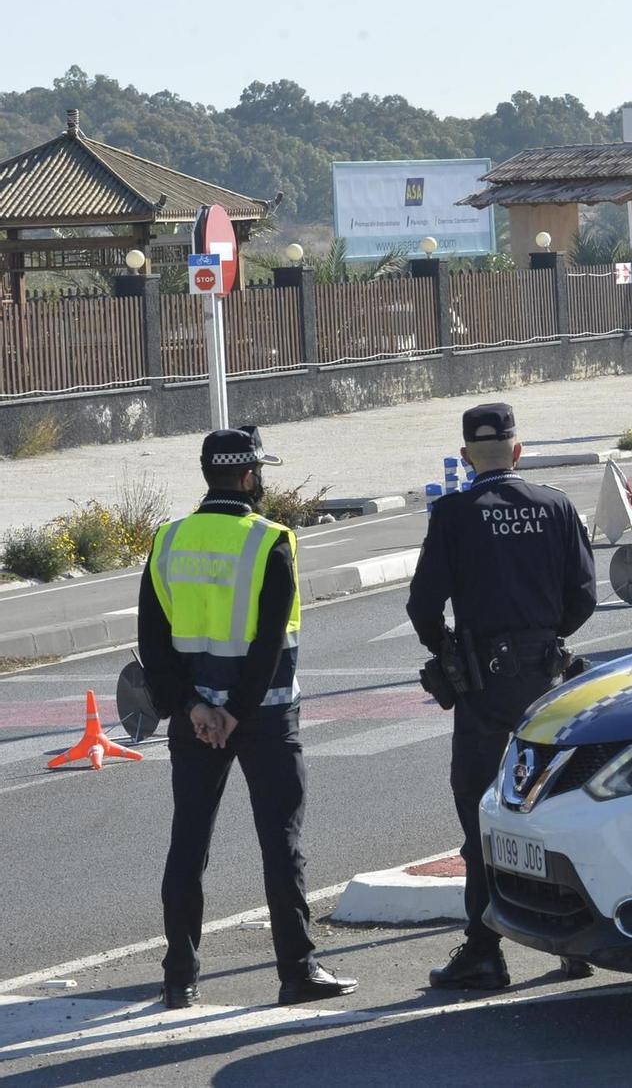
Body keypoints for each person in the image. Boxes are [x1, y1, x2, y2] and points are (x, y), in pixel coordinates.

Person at [137, 427, 356, 1011]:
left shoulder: (169, 539)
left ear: (207, 473)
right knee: (280, 841)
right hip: (265, 715)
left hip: (196, 719)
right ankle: (296, 972)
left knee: (189, 841)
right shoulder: (270, 541)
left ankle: (179, 975)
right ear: (251, 476)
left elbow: (152, 644)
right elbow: (266, 642)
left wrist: (195, 707)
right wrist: (235, 710)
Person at [408, 403, 597, 991]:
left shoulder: (455, 513)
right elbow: (585, 596)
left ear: (467, 458)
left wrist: (448, 650)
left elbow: (422, 603)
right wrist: (546, 637)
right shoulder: (557, 507)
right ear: (518, 451)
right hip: (545, 683)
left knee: (480, 811)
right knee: (554, 806)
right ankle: (575, 942)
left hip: (484, 686)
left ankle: (485, 949)